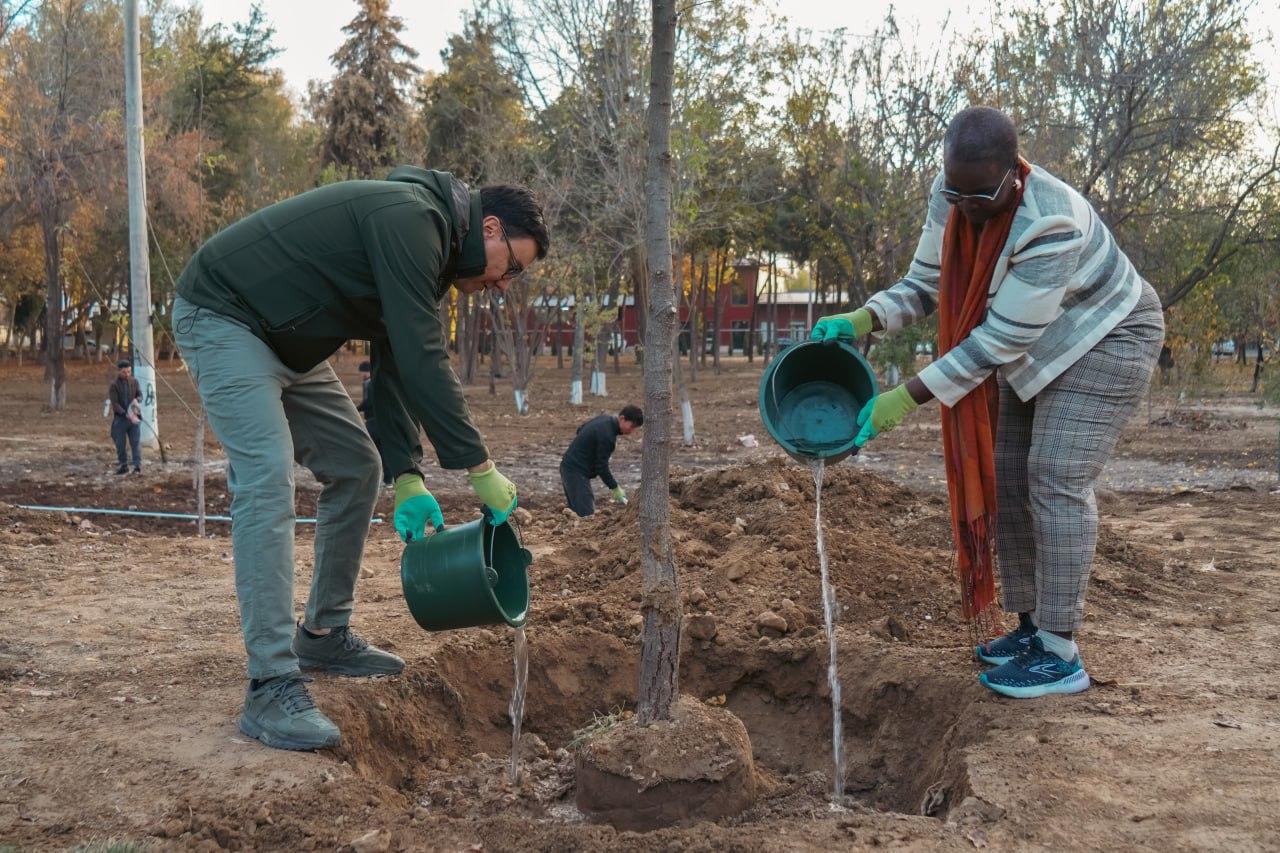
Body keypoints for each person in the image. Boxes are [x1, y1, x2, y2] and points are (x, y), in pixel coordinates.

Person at [172, 166, 549, 751]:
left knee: (357, 466)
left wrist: (407, 475)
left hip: (285, 342)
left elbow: (396, 364)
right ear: (491, 228)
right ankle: (270, 682)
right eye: (513, 268)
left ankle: (322, 633)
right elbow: (426, 358)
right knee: (268, 478)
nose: (505, 285)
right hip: (225, 316)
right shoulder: (413, 219)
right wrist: (479, 467)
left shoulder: (430, 256)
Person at [811, 106, 1163, 700]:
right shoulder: (952, 193)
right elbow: (926, 282)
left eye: (981, 195)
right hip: (1036, 346)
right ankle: (1029, 628)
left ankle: (1060, 652)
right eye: (958, 193)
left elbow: (998, 339)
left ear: (1013, 172)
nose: (967, 208)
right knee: (1007, 478)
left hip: (1106, 337)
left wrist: (906, 397)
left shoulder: (1050, 222)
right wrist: (864, 317)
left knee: (1054, 477)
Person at [560, 405, 643, 517]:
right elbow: (601, 467)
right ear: (622, 419)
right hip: (575, 472)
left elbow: (580, 429)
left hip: (569, 467)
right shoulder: (607, 436)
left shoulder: (604, 419)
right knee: (586, 515)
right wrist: (614, 487)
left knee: (577, 513)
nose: (631, 431)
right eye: (632, 426)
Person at [355, 360, 390, 485]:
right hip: (374, 422)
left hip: (375, 422)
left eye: (365, 371)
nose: (363, 374)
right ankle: (386, 479)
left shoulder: (371, 384)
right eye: (362, 372)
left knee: (372, 449)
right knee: (380, 450)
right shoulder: (369, 383)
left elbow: (369, 402)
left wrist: (355, 409)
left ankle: (383, 478)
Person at [107, 359, 142, 474]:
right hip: (121, 419)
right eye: (124, 372)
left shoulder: (134, 381)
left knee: (135, 443)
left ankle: (137, 466)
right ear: (119, 371)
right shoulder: (114, 385)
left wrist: (137, 400)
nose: (127, 374)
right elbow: (115, 404)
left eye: (129, 371)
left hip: (134, 418)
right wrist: (125, 413)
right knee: (120, 444)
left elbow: (140, 395)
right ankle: (123, 465)